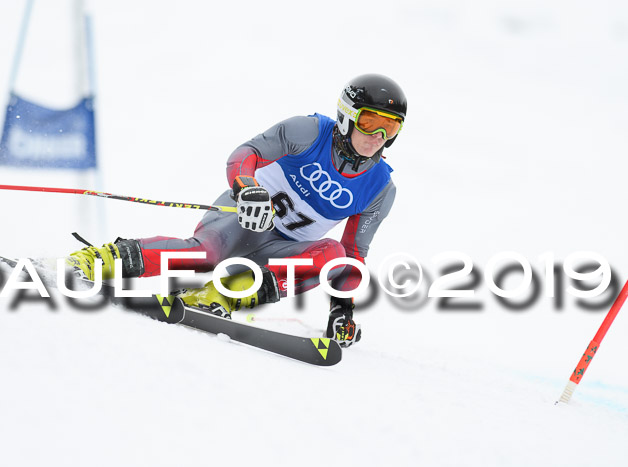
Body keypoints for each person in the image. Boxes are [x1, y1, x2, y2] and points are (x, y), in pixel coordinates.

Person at [67, 73, 407, 348]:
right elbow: (245, 153)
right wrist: (247, 188)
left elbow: (352, 254)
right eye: (369, 121)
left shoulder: (379, 187)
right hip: (243, 218)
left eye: (389, 127)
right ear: (348, 116)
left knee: (332, 254)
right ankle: (93, 262)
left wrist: (342, 309)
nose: (376, 135)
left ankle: (216, 296)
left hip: (280, 251)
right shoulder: (309, 131)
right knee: (203, 254)